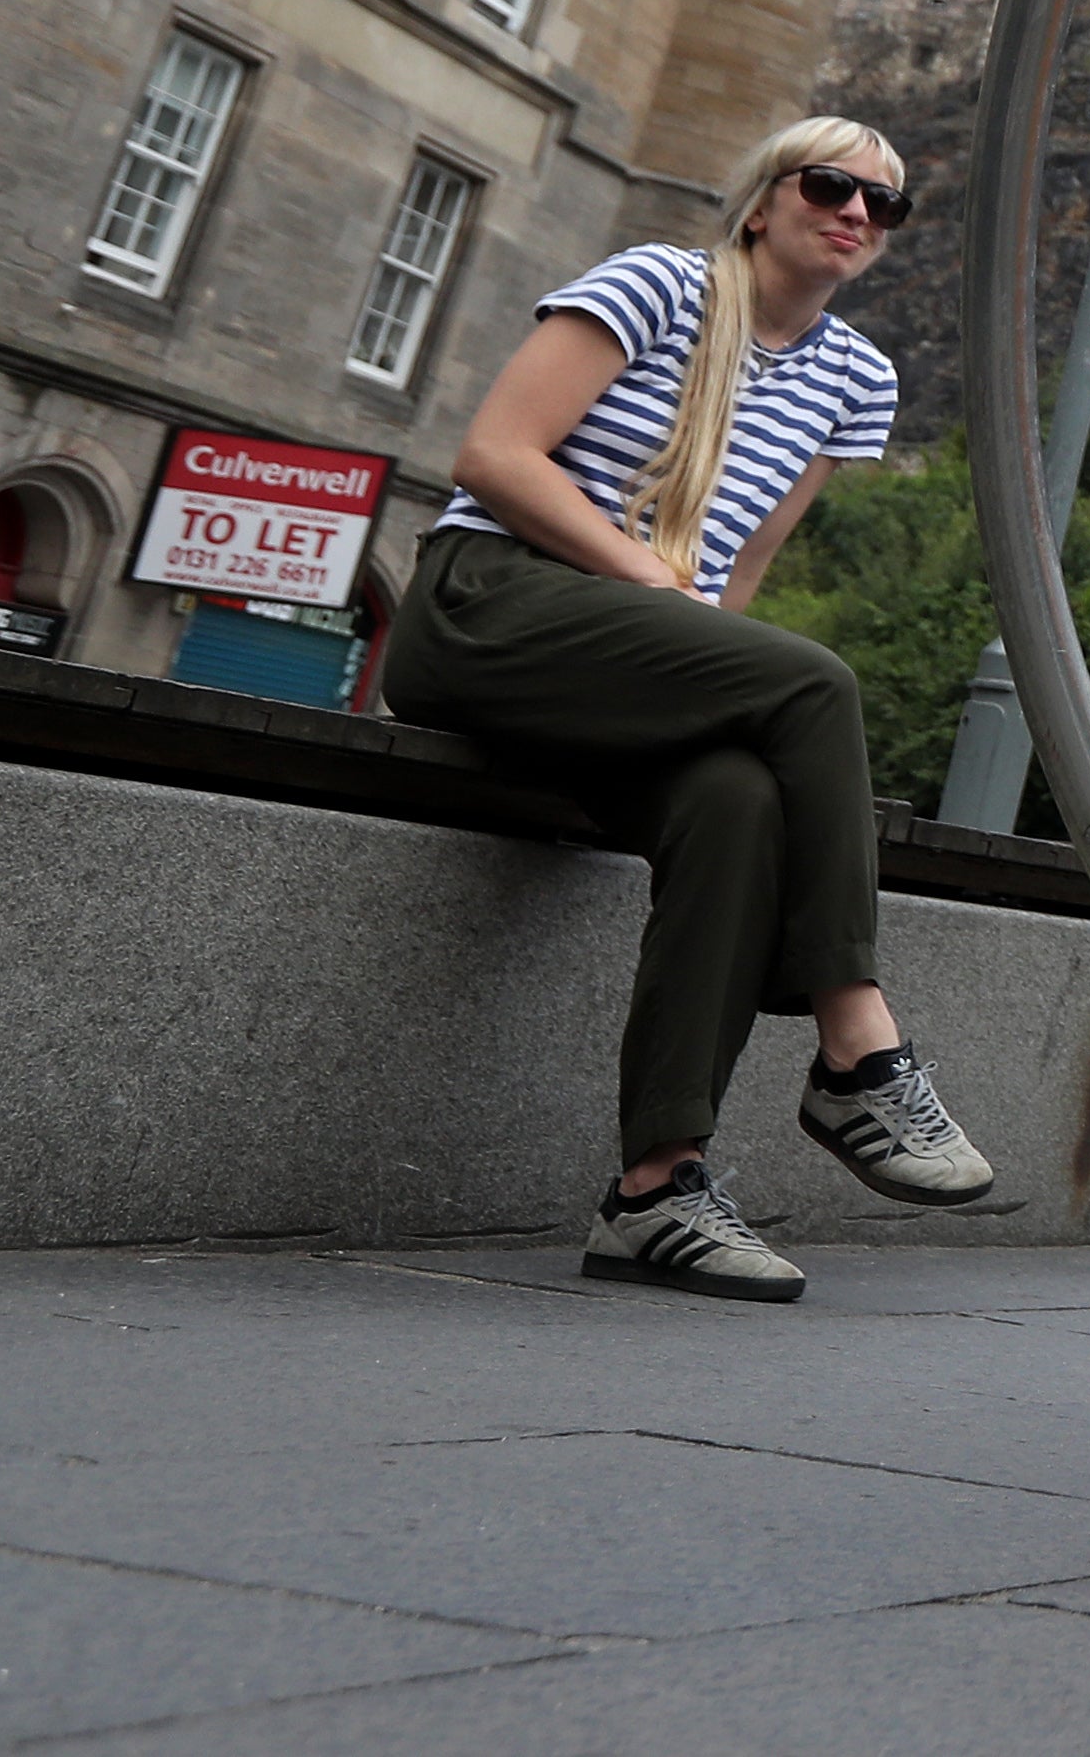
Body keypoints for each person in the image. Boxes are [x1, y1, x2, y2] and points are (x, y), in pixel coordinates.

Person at [380, 117, 984, 1303]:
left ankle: (656, 1188)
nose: (857, 212)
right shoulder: (660, 281)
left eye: (885, 205)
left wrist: (691, 632)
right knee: (814, 677)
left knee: (738, 796)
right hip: (490, 604)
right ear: (765, 200)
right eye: (831, 186)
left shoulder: (858, 379)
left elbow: (738, 579)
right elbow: (495, 455)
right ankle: (857, 1042)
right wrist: (646, 579)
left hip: (632, 653)